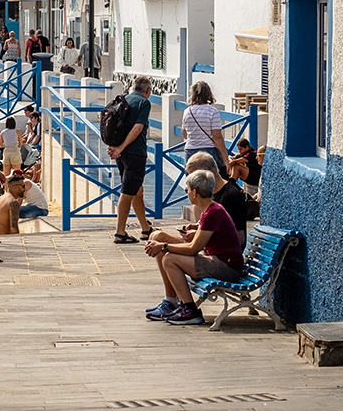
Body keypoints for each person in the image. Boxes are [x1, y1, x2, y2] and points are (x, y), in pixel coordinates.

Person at [143, 169, 244, 325]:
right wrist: (195, 231)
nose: (187, 193)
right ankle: (177, 303)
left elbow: (193, 249)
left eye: (187, 190)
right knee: (165, 248)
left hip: (226, 266)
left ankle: (190, 310)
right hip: (220, 260)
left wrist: (163, 247)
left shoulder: (212, 212)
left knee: (169, 260)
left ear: (195, 192)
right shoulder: (212, 209)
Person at [107, 75, 154, 244]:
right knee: (127, 192)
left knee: (136, 190)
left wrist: (115, 147)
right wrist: (121, 147)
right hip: (135, 153)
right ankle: (120, 233)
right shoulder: (144, 103)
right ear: (148, 91)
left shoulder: (123, 99)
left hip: (122, 154)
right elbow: (137, 128)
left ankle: (145, 228)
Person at [186, 152, 256, 234]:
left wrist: (202, 236)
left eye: (194, 176)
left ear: (206, 173)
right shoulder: (210, 193)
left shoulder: (231, 196)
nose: (192, 181)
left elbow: (239, 237)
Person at [180, 82, 232, 167]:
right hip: (208, 150)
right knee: (211, 178)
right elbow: (217, 137)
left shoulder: (187, 111)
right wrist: (225, 159)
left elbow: (184, 133)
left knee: (192, 179)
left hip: (190, 150)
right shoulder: (213, 111)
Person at [0, 170, 50, 235]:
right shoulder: (23, 183)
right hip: (34, 206)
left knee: (10, 211)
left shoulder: (24, 184)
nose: (23, 188)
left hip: (40, 209)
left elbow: (18, 202)